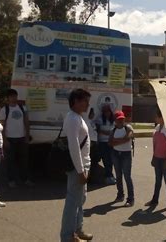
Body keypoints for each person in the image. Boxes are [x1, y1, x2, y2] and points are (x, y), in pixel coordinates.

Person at [60, 89, 93, 242]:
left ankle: (78, 230)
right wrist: (80, 171)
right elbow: (74, 147)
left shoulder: (78, 117)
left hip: (83, 165)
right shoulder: (73, 119)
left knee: (80, 201)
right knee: (72, 203)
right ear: (75, 102)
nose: (87, 104)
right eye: (85, 101)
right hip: (77, 168)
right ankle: (68, 236)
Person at [0, 89, 33, 188]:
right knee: (10, 161)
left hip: (22, 138)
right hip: (10, 139)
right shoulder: (4, 109)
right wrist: (4, 140)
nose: (14, 98)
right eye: (12, 96)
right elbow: (2, 126)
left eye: (15, 96)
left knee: (24, 160)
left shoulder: (22, 108)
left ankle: (25, 179)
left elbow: (26, 122)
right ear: (8, 98)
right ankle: (11, 180)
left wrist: (27, 136)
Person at [109, 110, 135, 207]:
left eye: (122, 119)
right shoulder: (113, 130)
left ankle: (130, 199)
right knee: (118, 176)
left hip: (126, 154)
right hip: (116, 154)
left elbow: (128, 138)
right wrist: (121, 140)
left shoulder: (128, 127)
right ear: (115, 120)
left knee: (127, 177)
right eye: (118, 119)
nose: (121, 121)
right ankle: (120, 195)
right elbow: (110, 143)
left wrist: (116, 141)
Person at [96, 105, 116, 185]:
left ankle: (110, 175)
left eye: (107, 111)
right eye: (104, 111)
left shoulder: (113, 120)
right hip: (102, 142)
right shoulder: (100, 119)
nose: (106, 113)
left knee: (111, 160)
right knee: (106, 159)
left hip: (111, 141)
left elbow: (115, 129)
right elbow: (97, 129)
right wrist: (106, 133)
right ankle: (108, 176)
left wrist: (110, 134)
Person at [83, 108, 99, 184]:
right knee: (88, 162)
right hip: (90, 144)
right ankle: (87, 178)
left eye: (93, 114)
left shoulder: (92, 122)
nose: (92, 115)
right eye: (91, 113)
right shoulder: (86, 122)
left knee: (94, 162)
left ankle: (91, 178)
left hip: (95, 144)